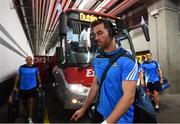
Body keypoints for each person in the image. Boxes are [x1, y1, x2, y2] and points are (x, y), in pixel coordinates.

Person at [71, 19, 138, 123]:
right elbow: (95, 85)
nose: (96, 38)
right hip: (99, 114)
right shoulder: (98, 60)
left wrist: (108, 122)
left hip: (121, 120)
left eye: (100, 33)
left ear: (111, 32)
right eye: (94, 34)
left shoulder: (128, 61)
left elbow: (129, 97)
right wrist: (83, 109)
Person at [12, 56, 42, 123]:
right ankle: (26, 110)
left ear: (32, 60)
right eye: (27, 59)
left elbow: (38, 76)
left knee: (31, 101)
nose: (29, 61)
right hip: (22, 87)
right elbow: (18, 76)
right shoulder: (21, 67)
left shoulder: (35, 68)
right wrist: (15, 86)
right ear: (25, 60)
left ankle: (30, 117)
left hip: (32, 87)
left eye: (30, 59)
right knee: (23, 102)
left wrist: (40, 83)